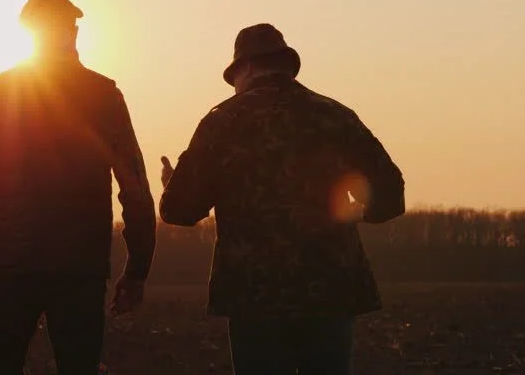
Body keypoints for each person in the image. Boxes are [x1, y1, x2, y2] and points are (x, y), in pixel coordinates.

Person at [159, 23, 406, 374]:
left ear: (246, 68)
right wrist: (357, 212)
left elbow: (179, 210)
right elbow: (391, 196)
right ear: (286, 65)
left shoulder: (222, 122)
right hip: (329, 291)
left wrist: (171, 184)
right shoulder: (335, 116)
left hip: (254, 296)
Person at [0, 0, 156, 374]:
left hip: (11, 265)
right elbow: (136, 188)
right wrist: (137, 270)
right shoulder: (104, 96)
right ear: (73, 32)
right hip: (81, 267)